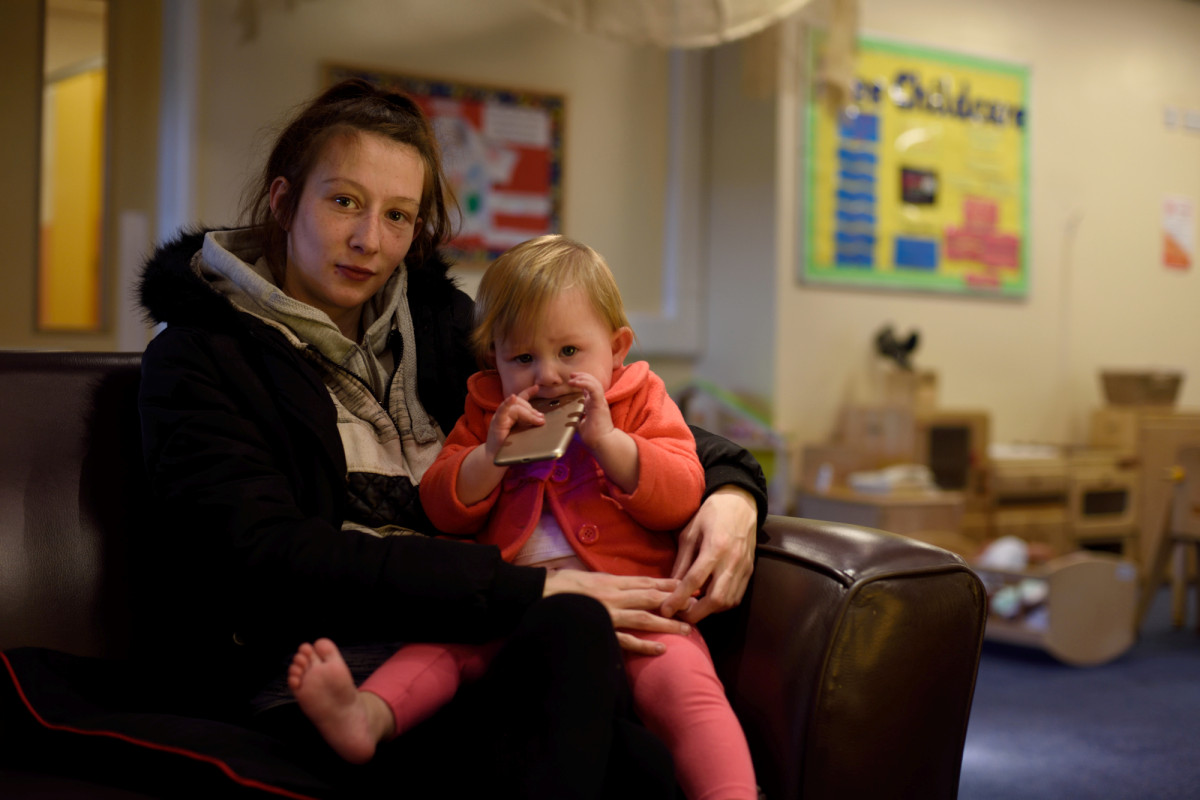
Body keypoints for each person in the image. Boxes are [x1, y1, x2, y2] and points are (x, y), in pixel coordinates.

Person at [136, 78, 766, 798]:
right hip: (325, 662)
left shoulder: (436, 324)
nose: (370, 241)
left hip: (485, 640)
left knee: (645, 754)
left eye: (398, 216)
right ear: (284, 201)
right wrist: (528, 587)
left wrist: (733, 496)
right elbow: (260, 555)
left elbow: (623, 413)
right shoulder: (198, 357)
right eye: (344, 201)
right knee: (605, 710)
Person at [287, 235, 759, 800]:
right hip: (508, 605)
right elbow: (442, 505)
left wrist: (609, 442)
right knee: (438, 651)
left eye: (569, 353)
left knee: (688, 691)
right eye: (523, 358)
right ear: (494, 360)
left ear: (616, 348)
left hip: (639, 603)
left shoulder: (640, 399)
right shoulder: (488, 408)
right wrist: (489, 456)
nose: (548, 375)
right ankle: (366, 716)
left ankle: (731, 792)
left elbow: (683, 491)